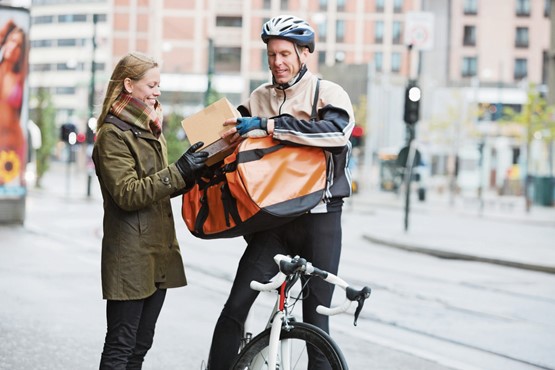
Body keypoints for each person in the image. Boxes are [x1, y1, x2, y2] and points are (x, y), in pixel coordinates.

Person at [207, 15, 355, 370]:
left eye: (286, 54)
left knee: (315, 322)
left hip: (320, 221)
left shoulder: (327, 93)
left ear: (304, 54)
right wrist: (201, 145)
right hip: (273, 224)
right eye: (272, 55)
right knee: (235, 306)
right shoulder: (259, 97)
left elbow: (335, 133)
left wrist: (269, 126)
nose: (278, 62)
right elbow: (222, 137)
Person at [92, 51, 208, 369]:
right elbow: (128, 194)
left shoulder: (148, 127)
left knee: (140, 346)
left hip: (157, 251)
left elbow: (157, 188)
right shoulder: (113, 135)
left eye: (159, 85)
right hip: (129, 256)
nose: (157, 92)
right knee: (120, 345)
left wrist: (191, 171)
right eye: (151, 85)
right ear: (128, 85)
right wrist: (178, 171)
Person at [0, 20, 27, 185]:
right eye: (12, 41)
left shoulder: (19, 78)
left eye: (19, 45)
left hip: (14, 146)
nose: (13, 47)